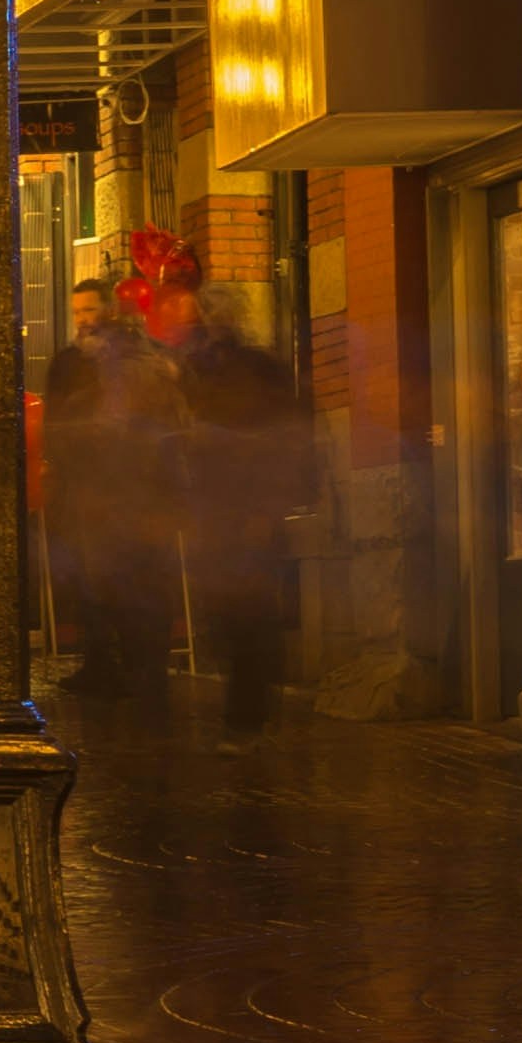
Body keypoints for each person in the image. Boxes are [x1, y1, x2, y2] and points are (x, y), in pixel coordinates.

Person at [172, 289, 319, 745]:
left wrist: (268, 506)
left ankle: (248, 715)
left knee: (249, 610)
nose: (213, 320)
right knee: (225, 611)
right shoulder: (196, 370)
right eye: (208, 312)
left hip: (250, 509)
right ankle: (250, 708)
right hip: (213, 511)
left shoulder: (259, 370)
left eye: (221, 311)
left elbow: (287, 440)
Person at [42, 281, 180, 706]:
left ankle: (143, 669)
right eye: (77, 311)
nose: (83, 318)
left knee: (132, 579)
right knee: (92, 581)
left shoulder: (139, 363)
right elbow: (55, 421)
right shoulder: (68, 363)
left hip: (130, 488)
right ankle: (103, 664)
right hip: (87, 488)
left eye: (90, 310)